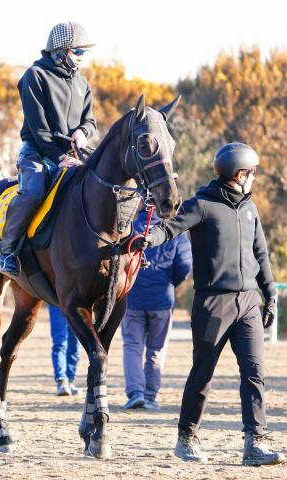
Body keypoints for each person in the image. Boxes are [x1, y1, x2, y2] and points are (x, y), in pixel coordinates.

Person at [139, 143, 285, 466]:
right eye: (253, 173)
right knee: (203, 374)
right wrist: (146, 238)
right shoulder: (202, 205)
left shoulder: (250, 208)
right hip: (213, 304)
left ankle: (255, 442)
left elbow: (260, 254)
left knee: (254, 373)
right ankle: (186, 437)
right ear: (239, 174)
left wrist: (270, 295)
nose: (255, 178)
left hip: (248, 302)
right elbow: (170, 227)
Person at [0, 21, 97, 277]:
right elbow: (39, 127)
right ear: (62, 50)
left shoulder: (82, 83)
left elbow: (91, 121)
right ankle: (7, 251)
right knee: (32, 193)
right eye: (79, 52)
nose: (82, 59)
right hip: (38, 153)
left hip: (73, 155)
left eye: (84, 53)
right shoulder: (34, 76)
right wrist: (60, 157)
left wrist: (83, 132)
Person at [122, 209, 192, 411]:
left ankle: (135, 392)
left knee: (132, 346)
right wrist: (170, 283)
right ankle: (150, 395)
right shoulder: (175, 231)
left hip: (132, 299)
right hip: (162, 300)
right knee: (156, 349)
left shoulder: (129, 228)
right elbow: (185, 265)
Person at [48, 305, 81, 396]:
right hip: (56, 302)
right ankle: (61, 380)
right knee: (60, 343)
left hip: (76, 302)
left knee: (75, 345)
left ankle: (70, 380)